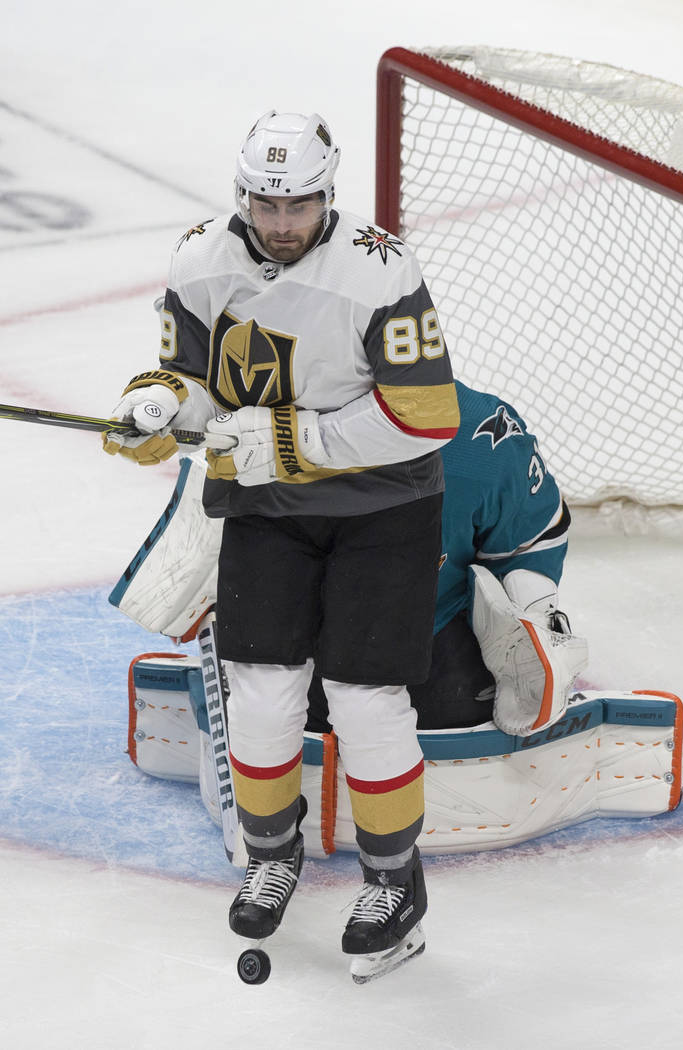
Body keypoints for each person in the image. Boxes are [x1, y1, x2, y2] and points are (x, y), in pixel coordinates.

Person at [102, 110, 460, 983]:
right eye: (265, 204)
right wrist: (159, 407)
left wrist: (286, 443)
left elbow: (425, 415)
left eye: (298, 204)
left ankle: (392, 881)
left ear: (327, 195)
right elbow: (186, 374)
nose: (281, 223)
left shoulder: (381, 271)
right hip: (267, 509)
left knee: (364, 701)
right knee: (261, 690)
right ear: (242, 196)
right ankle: (272, 852)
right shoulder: (200, 258)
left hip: (384, 510)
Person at [306, 378, 582, 736]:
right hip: (311, 633)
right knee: (283, 710)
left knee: (454, 713)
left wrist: (527, 608)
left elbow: (532, 535)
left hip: (432, 629)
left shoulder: (480, 435)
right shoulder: (275, 425)